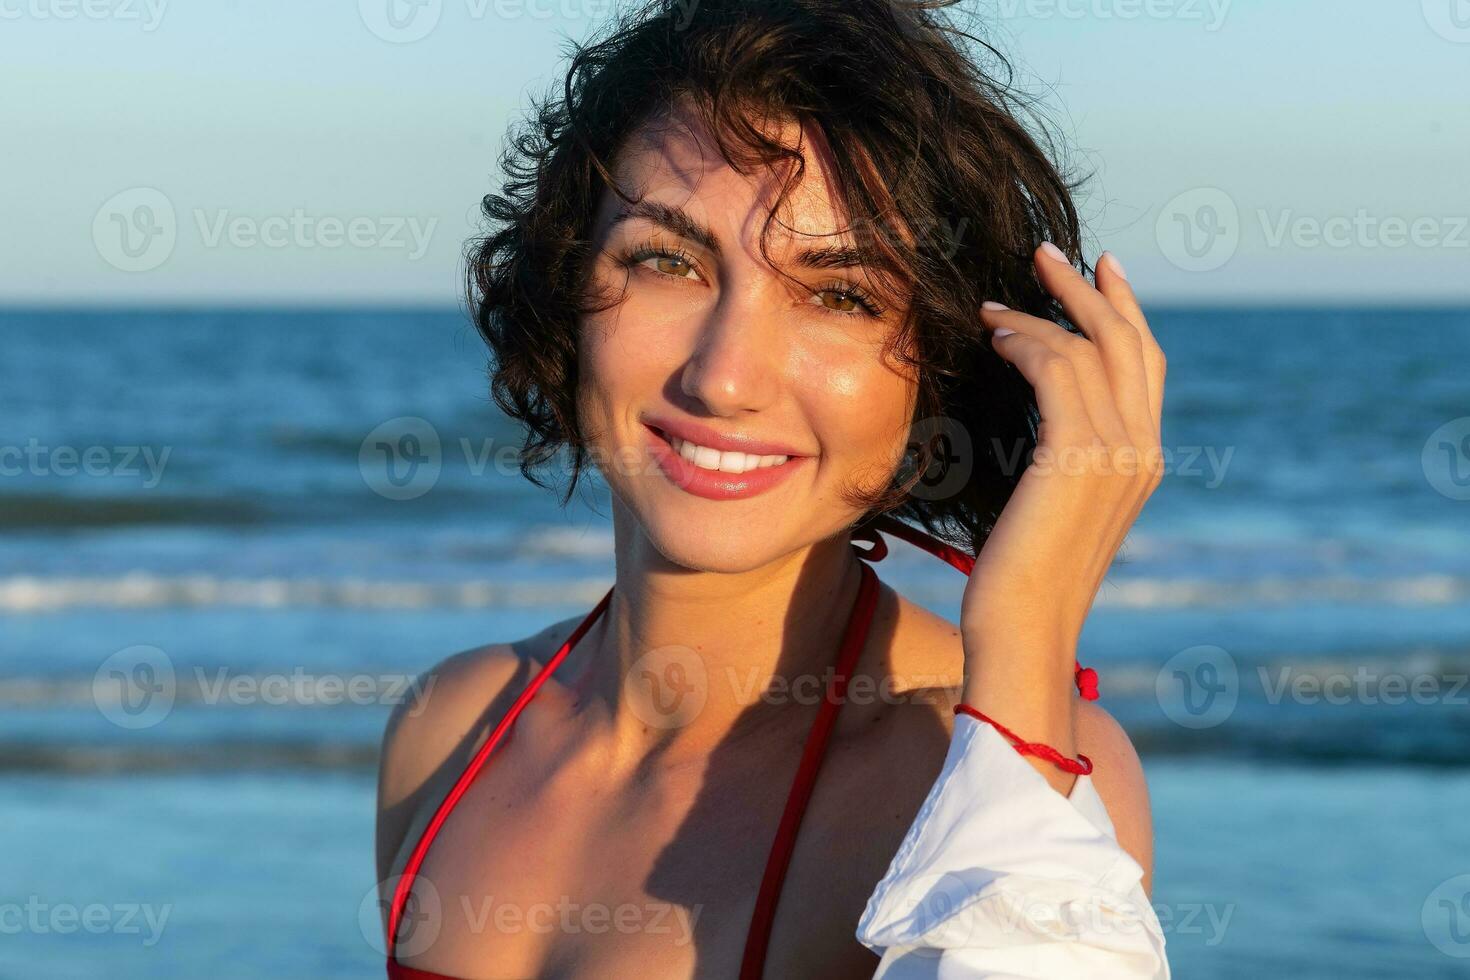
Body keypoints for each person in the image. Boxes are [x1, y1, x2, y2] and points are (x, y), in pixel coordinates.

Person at [376, 0, 1170, 976]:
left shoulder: (1000, 759)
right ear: (567, 295)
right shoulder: (451, 725)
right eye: (666, 260)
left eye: (841, 294)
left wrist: (1026, 625)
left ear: (938, 391)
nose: (724, 375)